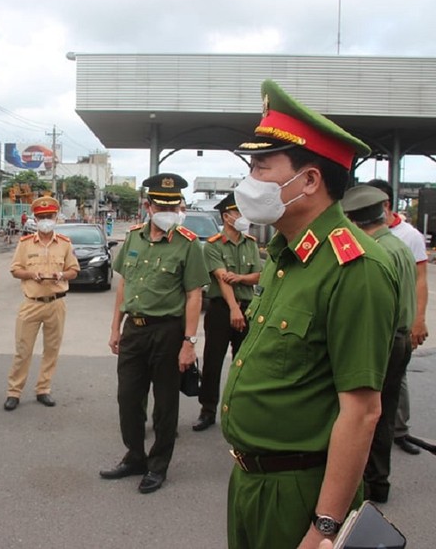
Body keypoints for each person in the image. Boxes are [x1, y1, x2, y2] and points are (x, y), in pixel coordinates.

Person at [221, 79, 399, 549]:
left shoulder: (354, 268)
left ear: (310, 180)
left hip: (299, 494)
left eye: (262, 166)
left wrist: (325, 526)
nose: (249, 181)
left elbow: (361, 412)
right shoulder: (285, 253)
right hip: (252, 482)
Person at [101, 173, 209, 495]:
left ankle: (158, 465)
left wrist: (189, 343)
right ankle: (135, 456)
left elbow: (194, 295)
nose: (169, 211)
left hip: (168, 332)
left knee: (165, 404)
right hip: (134, 329)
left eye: (174, 205)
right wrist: (115, 326)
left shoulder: (189, 244)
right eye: (162, 205)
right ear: (148, 206)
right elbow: (124, 284)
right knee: (128, 398)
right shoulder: (133, 238)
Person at [341, 185, 417, 504]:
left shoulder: (376, 252)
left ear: (355, 222)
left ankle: (370, 481)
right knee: (382, 414)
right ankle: (379, 481)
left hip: (382, 341)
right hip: (401, 338)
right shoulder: (397, 245)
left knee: (367, 413)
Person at [366, 178, 429, 456]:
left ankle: (398, 431)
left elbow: (420, 280)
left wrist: (419, 319)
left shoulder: (409, 235)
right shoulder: (364, 233)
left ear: (386, 204)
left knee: (395, 381)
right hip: (373, 325)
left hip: (397, 327)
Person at [193, 193, 261, 432]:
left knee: (245, 363)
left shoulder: (250, 243)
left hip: (248, 308)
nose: (243, 217)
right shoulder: (212, 246)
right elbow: (222, 278)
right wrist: (234, 309)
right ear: (227, 217)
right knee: (213, 361)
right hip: (222, 309)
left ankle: (241, 410)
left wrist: (241, 277)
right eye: (239, 213)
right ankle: (208, 410)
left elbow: (259, 275)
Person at [4, 195, 80, 411]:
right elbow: (15, 270)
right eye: (42, 217)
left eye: (49, 216)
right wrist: (30, 273)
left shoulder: (65, 244)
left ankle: (43, 389)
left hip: (56, 303)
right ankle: (14, 392)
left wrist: (62, 275)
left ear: (56, 217)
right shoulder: (25, 244)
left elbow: (74, 270)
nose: (46, 220)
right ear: (35, 220)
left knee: (51, 349)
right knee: (23, 349)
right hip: (31, 303)